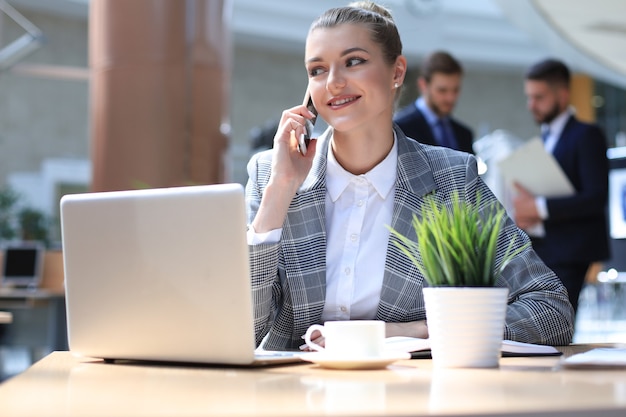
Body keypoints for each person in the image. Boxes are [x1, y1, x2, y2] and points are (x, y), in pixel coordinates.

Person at [245, 2, 574, 351]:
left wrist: (419, 331)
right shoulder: (270, 174)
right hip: (293, 399)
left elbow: (551, 310)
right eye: (317, 69)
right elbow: (242, 330)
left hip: (410, 396)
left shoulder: (453, 180)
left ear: (397, 72)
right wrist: (280, 190)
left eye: (353, 62)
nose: (333, 82)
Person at [514, 58, 610, 315]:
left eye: (539, 97)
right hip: (544, 248)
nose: (531, 105)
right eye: (529, 97)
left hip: (572, 251)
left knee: (557, 322)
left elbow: (596, 197)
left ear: (563, 94)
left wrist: (538, 207)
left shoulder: (587, 135)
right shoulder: (545, 137)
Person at [393, 50, 474, 154]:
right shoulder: (400, 129)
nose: (450, 98)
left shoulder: (464, 134)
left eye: (455, 90)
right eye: (442, 90)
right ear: (423, 85)